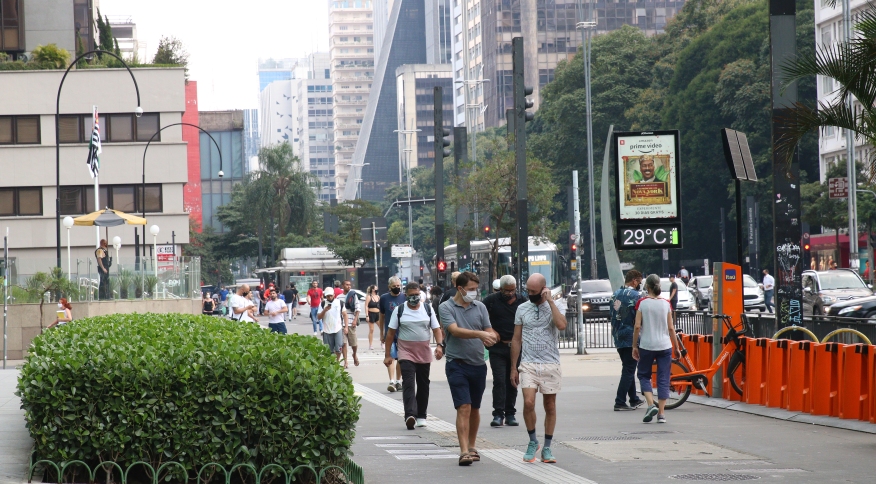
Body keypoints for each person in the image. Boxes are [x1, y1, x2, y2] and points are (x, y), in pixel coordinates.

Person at [439, 271, 498, 466]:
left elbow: (489, 329)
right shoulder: (446, 307)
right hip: (457, 364)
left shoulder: (480, 307)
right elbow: (454, 331)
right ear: (460, 289)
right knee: (463, 406)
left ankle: (472, 446)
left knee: (474, 407)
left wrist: (491, 336)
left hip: (478, 364)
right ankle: (463, 450)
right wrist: (480, 334)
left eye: (476, 289)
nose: (474, 293)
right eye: (471, 290)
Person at [510, 272, 567, 464]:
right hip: (528, 363)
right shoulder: (522, 309)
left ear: (543, 289)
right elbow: (516, 339)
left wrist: (550, 302)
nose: (530, 294)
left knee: (550, 405)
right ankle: (533, 441)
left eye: (534, 291)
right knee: (528, 403)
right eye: (527, 290)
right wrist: (513, 367)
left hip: (550, 363)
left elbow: (561, 325)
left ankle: (548, 447)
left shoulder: (555, 306)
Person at [385, 282, 444, 429]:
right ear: (406, 295)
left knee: (424, 384)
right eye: (411, 295)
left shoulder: (427, 308)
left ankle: (422, 415)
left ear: (420, 294)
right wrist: (388, 355)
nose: (414, 298)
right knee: (409, 383)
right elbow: (390, 334)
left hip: (424, 352)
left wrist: (439, 345)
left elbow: (436, 329)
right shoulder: (399, 310)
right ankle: (410, 415)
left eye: (416, 295)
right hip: (406, 352)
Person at [633, 274, 679, 424]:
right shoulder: (666, 304)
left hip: (647, 345)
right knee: (663, 378)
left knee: (644, 375)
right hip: (665, 346)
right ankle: (661, 414)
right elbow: (671, 328)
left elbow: (637, 326)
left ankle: (650, 404)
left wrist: (634, 346)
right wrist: (677, 347)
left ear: (647, 287)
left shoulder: (642, 303)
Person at [482, 274, 525, 427]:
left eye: (512, 290)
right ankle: (498, 414)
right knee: (499, 380)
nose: (510, 293)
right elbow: (479, 317)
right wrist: (491, 331)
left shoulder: (522, 301)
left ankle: (510, 413)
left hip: (516, 348)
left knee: (513, 380)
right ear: (500, 289)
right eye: (506, 291)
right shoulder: (491, 301)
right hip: (497, 348)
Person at [609, 270, 646, 411]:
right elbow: (640, 319)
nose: (640, 285)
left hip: (618, 336)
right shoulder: (637, 297)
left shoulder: (615, 294)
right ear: (635, 281)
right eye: (640, 282)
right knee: (629, 370)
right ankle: (619, 401)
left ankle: (634, 399)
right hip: (631, 337)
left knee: (627, 368)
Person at [379, 277, 406, 392]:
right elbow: (381, 317)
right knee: (389, 356)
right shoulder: (384, 298)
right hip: (390, 333)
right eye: (394, 286)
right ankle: (391, 381)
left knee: (400, 358)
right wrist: (381, 333)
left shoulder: (405, 297)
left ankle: (398, 381)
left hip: (403, 333)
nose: (397, 288)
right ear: (389, 287)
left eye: (398, 286)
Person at [319, 291, 344, 362]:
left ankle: (337, 361)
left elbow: (344, 314)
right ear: (325, 296)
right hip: (327, 329)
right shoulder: (322, 303)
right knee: (329, 350)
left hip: (338, 328)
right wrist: (325, 310)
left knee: (338, 348)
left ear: (334, 295)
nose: (329, 297)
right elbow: (318, 317)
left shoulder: (340, 303)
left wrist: (346, 327)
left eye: (331, 295)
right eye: (328, 296)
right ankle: (331, 362)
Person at [341, 280, 360, 368]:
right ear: (343, 286)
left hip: (352, 322)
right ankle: (345, 362)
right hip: (342, 324)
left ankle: (354, 354)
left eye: (349, 285)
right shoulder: (338, 297)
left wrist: (355, 320)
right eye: (346, 285)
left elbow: (358, 308)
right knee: (343, 343)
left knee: (354, 344)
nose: (348, 286)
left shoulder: (353, 295)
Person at [366, 285, 382, 350]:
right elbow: (366, 306)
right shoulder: (369, 297)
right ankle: (370, 344)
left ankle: (382, 342)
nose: (377, 289)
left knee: (381, 328)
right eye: (376, 288)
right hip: (371, 314)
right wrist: (367, 315)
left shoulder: (378, 297)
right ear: (372, 289)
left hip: (378, 314)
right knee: (371, 330)